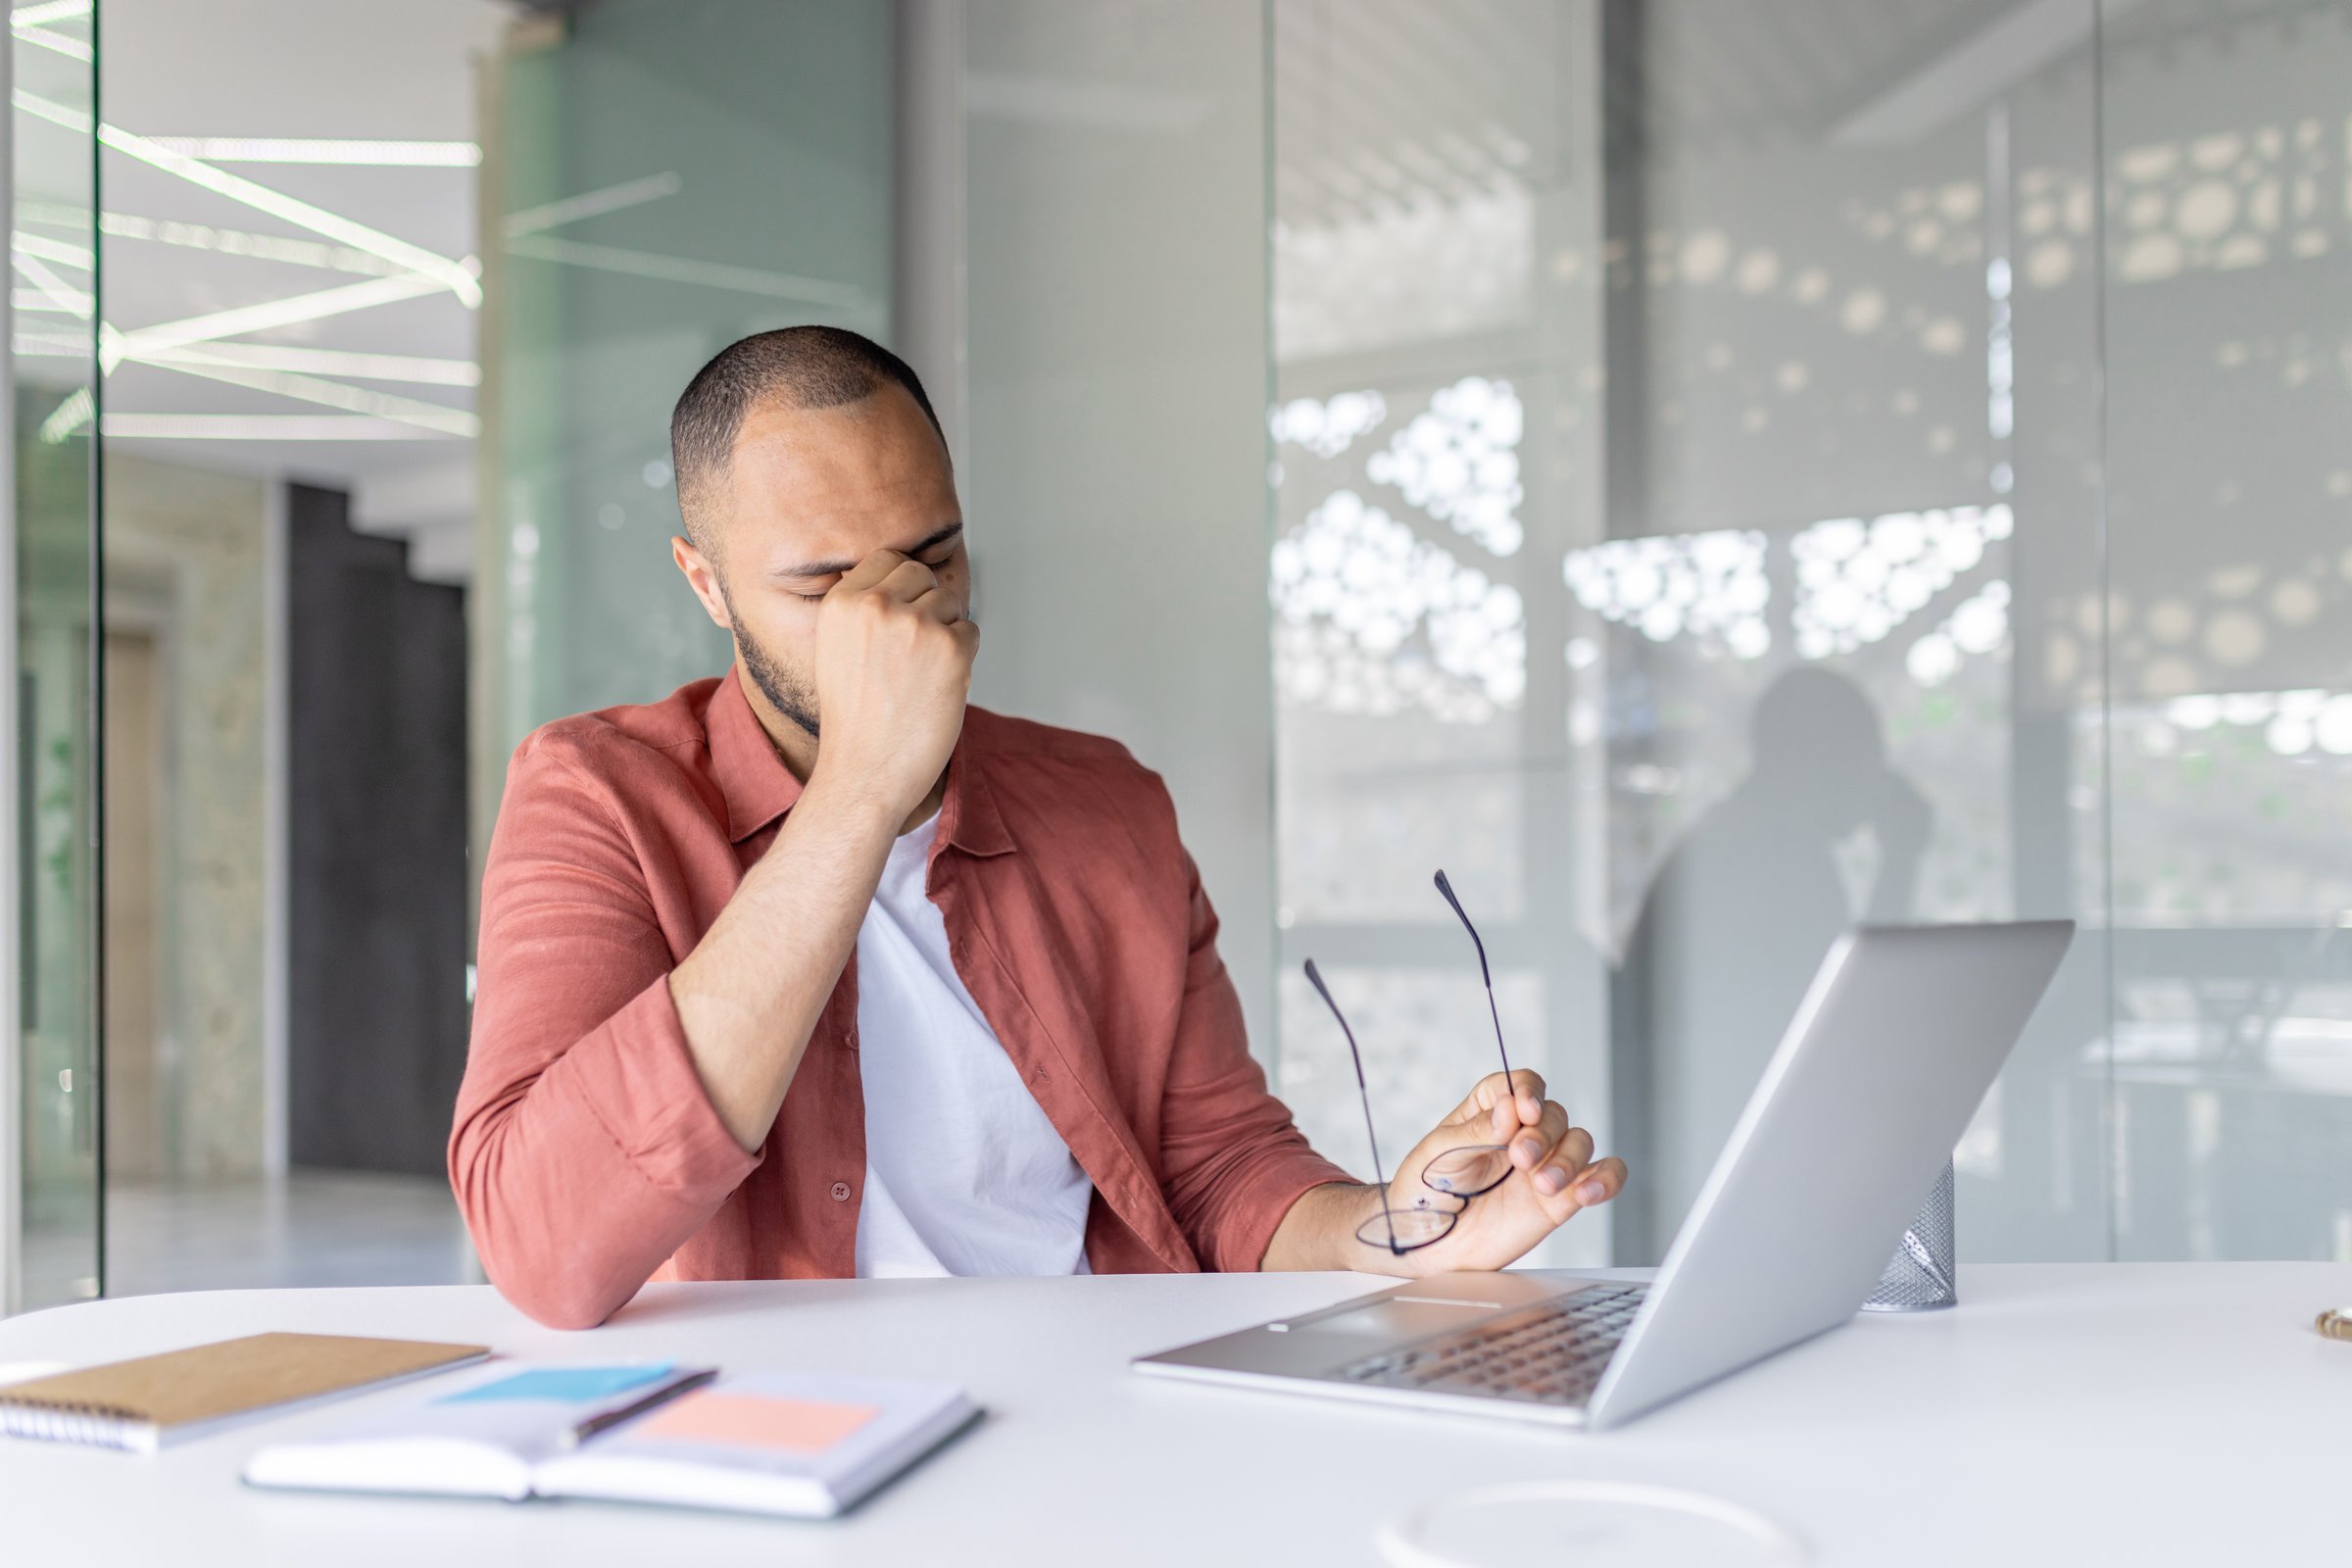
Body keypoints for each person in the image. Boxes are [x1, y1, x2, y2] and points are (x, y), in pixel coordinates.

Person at [451, 326, 1624, 1329]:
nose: (896, 616)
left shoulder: (1107, 806)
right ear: (706, 584)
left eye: (933, 555)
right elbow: (540, 1242)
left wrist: (1403, 1226)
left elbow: (1216, 1173)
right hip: (777, 1436)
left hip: (1098, 1416)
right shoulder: (597, 793)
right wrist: (859, 788)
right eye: (821, 586)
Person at [1611, 666, 1932, 1260]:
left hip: (1719, 1160)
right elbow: (1854, 1023)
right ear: (1820, 759)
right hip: (1721, 1181)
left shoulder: (1753, 838)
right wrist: (1901, 861)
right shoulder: (1767, 856)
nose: (1878, 779)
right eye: (1867, 757)